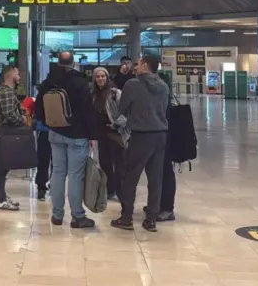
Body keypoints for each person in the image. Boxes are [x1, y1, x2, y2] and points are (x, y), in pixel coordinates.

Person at [35, 51, 98, 229]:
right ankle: (77, 216)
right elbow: (88, 110)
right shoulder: (80, 82)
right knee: (75, 175)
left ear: (58, 62)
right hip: (77, 135)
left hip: (55, 132)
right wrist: (92, 134)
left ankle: (57, 215)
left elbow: (39, 110)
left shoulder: (48, 82)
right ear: (73, 63)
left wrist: (50, 122)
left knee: (57, 173)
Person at [112, 54, 170, 233]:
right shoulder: (163, 86)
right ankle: (151, 219)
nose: (135, 67)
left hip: (140, 135)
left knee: (130, 176)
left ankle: (127, 217)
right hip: (160, 135)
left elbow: (121, 109)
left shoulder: (132, 84)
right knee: (155, 178)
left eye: (137, 64)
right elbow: (164, 108)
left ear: (145, 65)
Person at [0, 65, 26, 211]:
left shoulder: (6, 91)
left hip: (3, 132)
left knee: (3, 167)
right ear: (11, 74)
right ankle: (0, 200)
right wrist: (22, 120)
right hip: (5, 132)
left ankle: (2, 196)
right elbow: (8, 113)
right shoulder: (6, 92)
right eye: (17, 73)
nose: (19, 76)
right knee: (2, 167)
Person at [92, 66, 124, 201]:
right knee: (105, 162)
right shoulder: (93, 94)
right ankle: (109, 189)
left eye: (103, 76)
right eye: (98, 76)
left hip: (115, 131)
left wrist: (117, 124)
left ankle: (120, 190)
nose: (100, 79)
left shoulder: (115, 93)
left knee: (118, 162)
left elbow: (126, 111)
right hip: (101, 132)